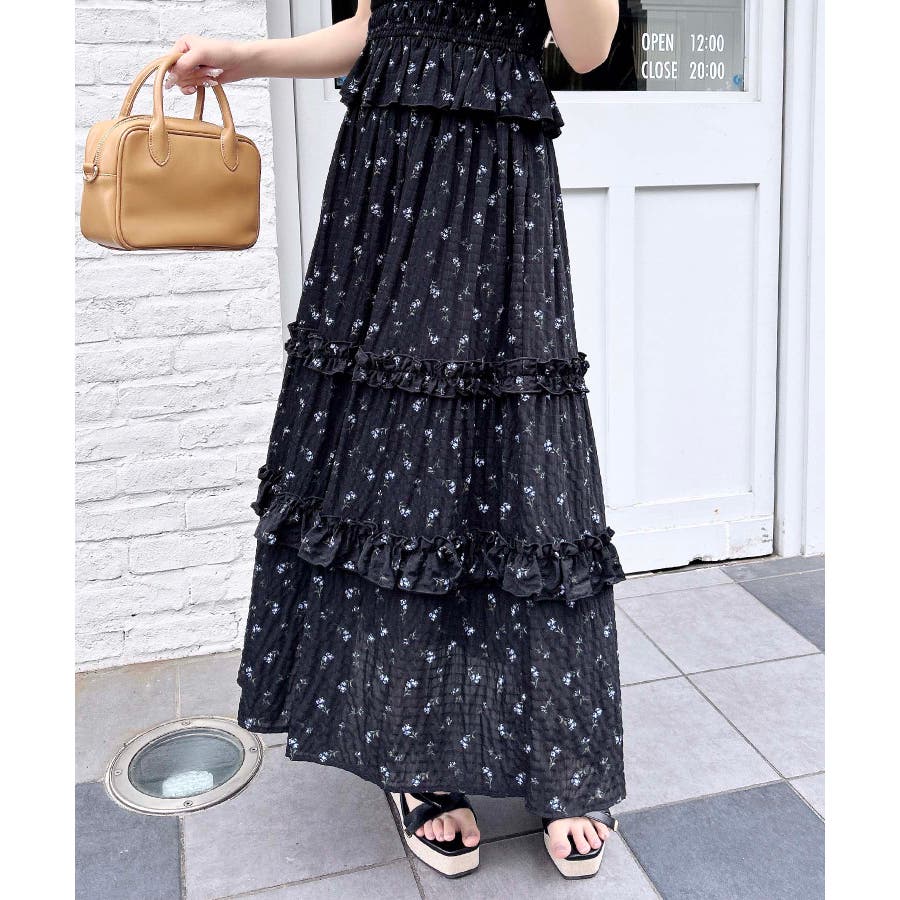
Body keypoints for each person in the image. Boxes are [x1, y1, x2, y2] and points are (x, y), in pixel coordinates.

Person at [166, 0, 626, 880]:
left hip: (494, 178)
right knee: (397, 453)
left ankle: (559, 755)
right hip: (386, 175)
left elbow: (588, 47)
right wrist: (243, 57)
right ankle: (416, 754)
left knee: (520, 444)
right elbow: (381, 27)